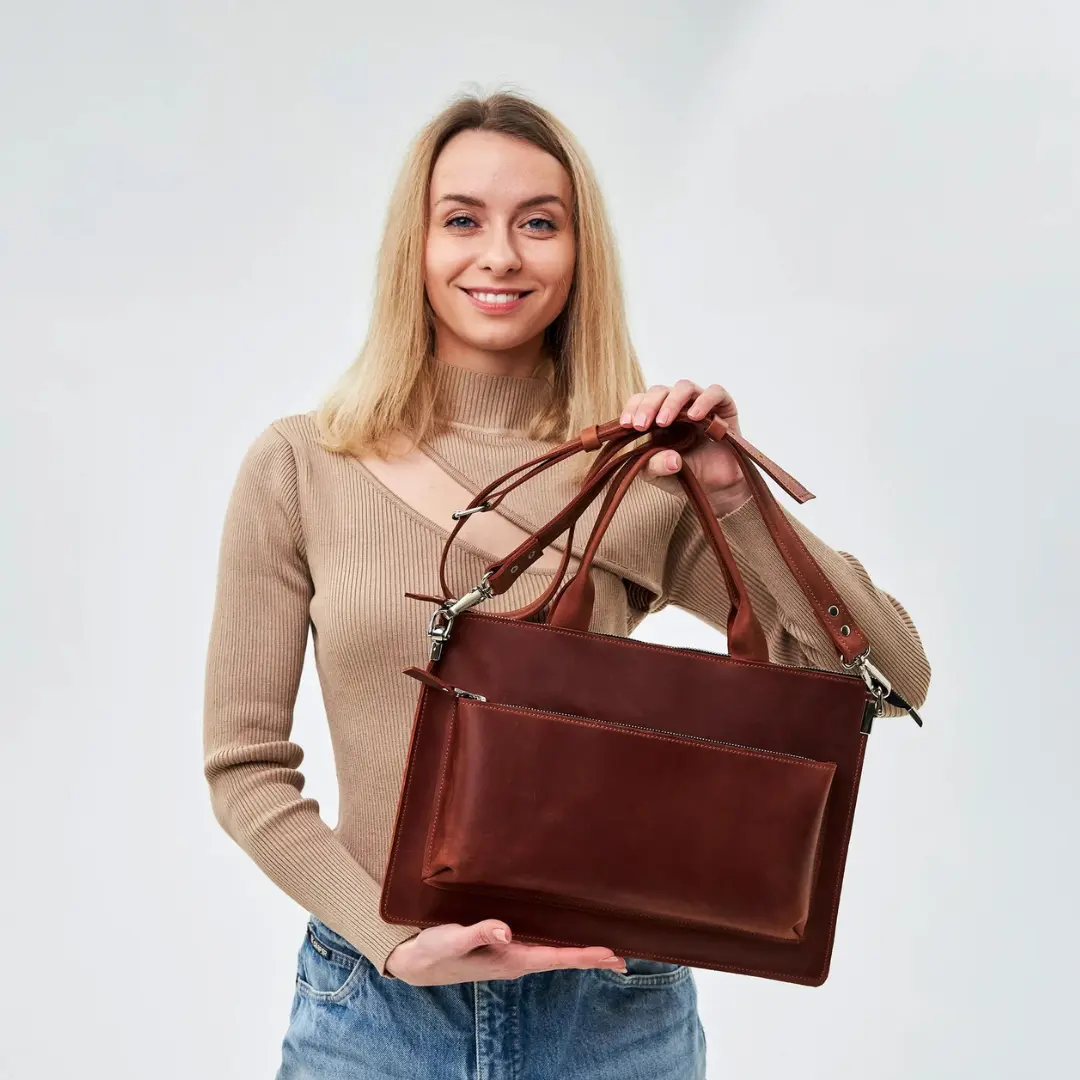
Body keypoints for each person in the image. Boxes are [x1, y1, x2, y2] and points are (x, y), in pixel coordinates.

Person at [202, 88, 931, 1079]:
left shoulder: (644, 474)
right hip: (372, 1008)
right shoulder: (299, 465)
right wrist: (389, 938)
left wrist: (728, 489)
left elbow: (887, 683)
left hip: (610, 1013)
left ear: (580, 254)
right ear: (412, 247)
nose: (499, 253)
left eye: (538, 224)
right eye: (462, 219)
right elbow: (243, 767)